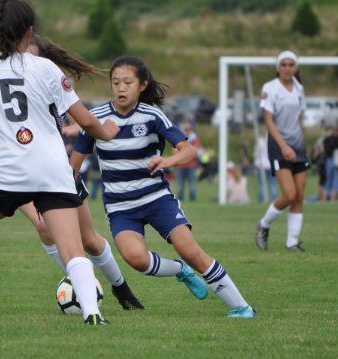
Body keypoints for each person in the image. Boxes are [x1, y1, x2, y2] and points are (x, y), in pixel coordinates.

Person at [0, 0, 121, 325]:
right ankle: (92, 313)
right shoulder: (47, 68)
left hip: (8, 174)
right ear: (31, 31)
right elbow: (87, 121)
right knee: (71, 247)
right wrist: (105, 133)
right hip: (53, 172)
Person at [0, 34, 144, 311]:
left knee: (89, 239)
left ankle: (120, 289)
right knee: (45, 228)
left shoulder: (48, 79)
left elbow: (78, 122)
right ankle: (83, 289)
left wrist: (80, 130)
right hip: (16, 172)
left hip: (55, 170)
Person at [71, 55, 257, 318]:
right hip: (121, 207)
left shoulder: (152, 115)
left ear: (142, 85)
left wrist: (168, 160)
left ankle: (243, 308)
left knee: (191, 250)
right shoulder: (96, 119)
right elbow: (74, 167)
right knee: (136, 259)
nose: (121, 88)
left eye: (128, 82)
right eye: (115, 82)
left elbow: (189, 152)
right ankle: (180, 270)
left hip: (157, 199)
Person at [255, 51, 308, 252]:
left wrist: (301, 143)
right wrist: (284, 146)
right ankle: (264, 225)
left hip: (298, 147)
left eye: (291, 64)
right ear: (278, 67)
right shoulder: (270, 88)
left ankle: (291, 243)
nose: (287, 68)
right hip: (279, 146)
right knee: (289, 193)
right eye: (284, 64)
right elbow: (268, 120)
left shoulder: (299, 88)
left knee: (300, 195)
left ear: (296, 67)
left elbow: (299, 118)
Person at [175, 122, 200, 201]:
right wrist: (189, 151)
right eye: (186, 129)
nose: (187, 130)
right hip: (181, 166)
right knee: (180, 187)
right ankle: (180, 201)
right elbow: (175, 151)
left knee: (192, 187)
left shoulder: (195, 139)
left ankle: (193, 201)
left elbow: (195, 151)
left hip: (191, 166)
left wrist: (183, 151)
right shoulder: (178, 138)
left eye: (189, 129)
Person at [323, 127, 338, 202]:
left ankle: (323, 199)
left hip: (329, 160)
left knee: (328, 180)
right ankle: (333, 200)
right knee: (337, 180)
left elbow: (322, 149)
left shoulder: (327, 139)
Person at [311, 128, 333, 202]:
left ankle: (324, 198)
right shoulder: (323, 140)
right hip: (323, 163)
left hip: (324, 162)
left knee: (326, 181)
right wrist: (314, 161)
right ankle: (321, 199)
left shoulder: (323, 139)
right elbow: (317, 151)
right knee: (323, 182)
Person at [254, 133, 278, 203]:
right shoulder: (275, 141)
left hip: (261, 165)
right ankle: (273, 200)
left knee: (262, 184)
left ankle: (262, 200)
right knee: (272, 184)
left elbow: (256, 154)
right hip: (271, 165)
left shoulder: (260, 142)